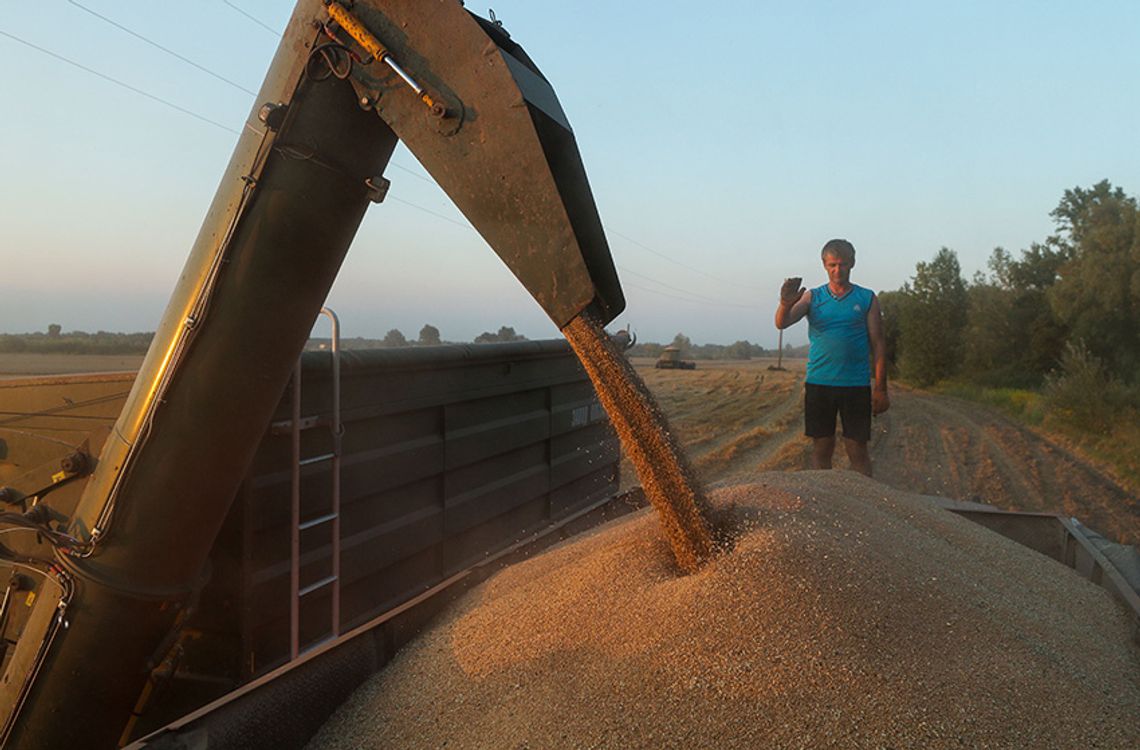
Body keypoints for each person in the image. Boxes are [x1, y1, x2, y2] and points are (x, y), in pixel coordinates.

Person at [774, 238, 889, 476]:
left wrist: (881, 388)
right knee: (822, 448)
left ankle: (866, 504)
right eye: (832, 265)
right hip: (819, 383)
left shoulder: (866, 298)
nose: (838, 270)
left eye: (843, 264)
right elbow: (782, 322)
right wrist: (785, 303)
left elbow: (878, 344)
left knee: (857, 449)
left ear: (852, 264)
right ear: (824, 265)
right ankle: (822, 502)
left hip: (855, 385)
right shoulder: (812, 297)